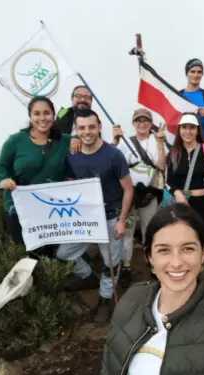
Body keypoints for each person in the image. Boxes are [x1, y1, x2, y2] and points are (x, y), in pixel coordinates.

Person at [101, 203, 204, 375]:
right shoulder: (132, 297)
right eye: (164, 250)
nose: (176, 262)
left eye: (187, 248)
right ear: (150, 257)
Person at [56, 108, 134, 324]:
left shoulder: (113, 155)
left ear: (99, 127)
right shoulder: (72, 156)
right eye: (82, 128)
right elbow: (71, 182)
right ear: (76, 130)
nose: (87, 132)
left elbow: (128, 189)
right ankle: (87, 275)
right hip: (85, 219)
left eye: (91, 127)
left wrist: (121, 220)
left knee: (112, 263)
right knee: (64, 252)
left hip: (111, 216)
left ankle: (105, 299)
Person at [0, 96, 73, 254]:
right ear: (30, 117)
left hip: (51, 209)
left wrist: (76, 140)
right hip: (18, 209)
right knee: (25, 252)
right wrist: (4, 179)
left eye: (47, 113)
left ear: (53, 115)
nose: (42, 118)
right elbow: (1, 166)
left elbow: (89, 141)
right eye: (37, 114)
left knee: (50, 253)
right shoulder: (15, 141)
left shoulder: (64, 141)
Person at [112, 108, 168, 288]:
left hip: (149, 195)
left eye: (146, 120)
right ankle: (126, 267)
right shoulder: (125, 142)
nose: (142, 123)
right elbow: (113, 164)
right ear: (133, 123)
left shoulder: (156, 141)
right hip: (128, 196)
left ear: (151, 123)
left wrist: (160, 145)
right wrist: (114, 141)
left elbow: (161, 166)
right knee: (127, 233)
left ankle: (154, 267)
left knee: (149, 232)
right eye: (138, 120)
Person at [166, 112, 204, 231]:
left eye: (192, 127)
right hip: (182, 204)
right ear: (179, 130)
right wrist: (178, 194)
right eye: (184, 127)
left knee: (203, 240)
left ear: (198, 130)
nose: (188, 131)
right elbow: (168, 181)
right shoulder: (173, 153)